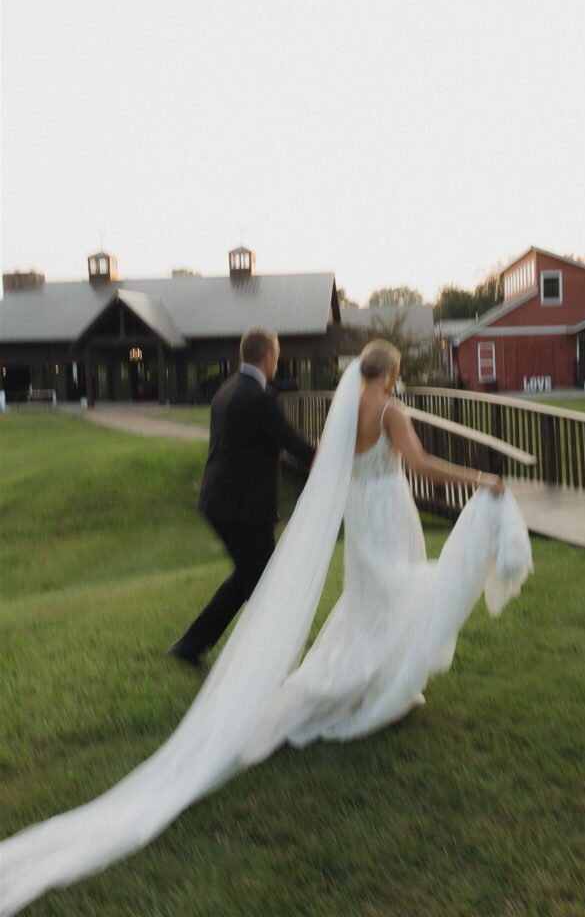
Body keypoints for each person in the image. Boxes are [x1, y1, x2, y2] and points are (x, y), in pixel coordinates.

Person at [0, 342, 531, 916]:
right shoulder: (390, 412)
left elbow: (325, 462)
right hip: (386, 509)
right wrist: (481, 477)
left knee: (371, 600)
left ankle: (372, 678)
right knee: (402, 592)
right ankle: (377, 685)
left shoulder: (344, 408)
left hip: (360, 515)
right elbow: (421, 465)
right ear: (393, 374)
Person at [168, 327, 315, 666]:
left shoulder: (227, 389)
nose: (277, 362)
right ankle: (272, 653)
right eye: (277, 356)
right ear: (268, 357)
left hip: (220, 502)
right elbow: (300, 449)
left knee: (249, 578)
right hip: (244, 510)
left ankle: (191, 645)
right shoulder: (258, 400)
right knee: (263, 581)